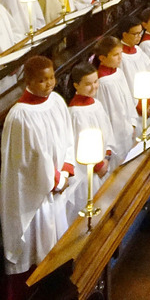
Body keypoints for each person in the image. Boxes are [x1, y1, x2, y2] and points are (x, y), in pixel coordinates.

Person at [0, 56, 74, 300]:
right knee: (38, 243)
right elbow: (27, 162)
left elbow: (67, 137)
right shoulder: (20, 115)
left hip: (57, 183)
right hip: (36, 195)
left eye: (51, 77)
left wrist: (65, 169)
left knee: (58, 241)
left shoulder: (57, 101)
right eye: (42, 80)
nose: (49, 84)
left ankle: (58, 282)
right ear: (28, 82)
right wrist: (55, 180)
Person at [66, 63, 114, 223]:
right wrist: (98, 165)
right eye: (88, 84)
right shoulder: (75, 113)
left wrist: (107, 155)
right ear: (76, 85)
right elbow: (79, 143)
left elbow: (107, 131)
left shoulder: (96, 103)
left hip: (103, 163)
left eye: (95, 82)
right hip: (89, 171)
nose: (94, 87)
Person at [94, 36, 137, 158]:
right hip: (116, 136)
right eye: (115, 55)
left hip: (127, 129)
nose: (120, 58)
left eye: (121, 53)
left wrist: (132, 123)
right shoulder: (102, 83)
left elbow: (128, 100)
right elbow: (107, 114)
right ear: (102, 58)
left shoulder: (118, 72)